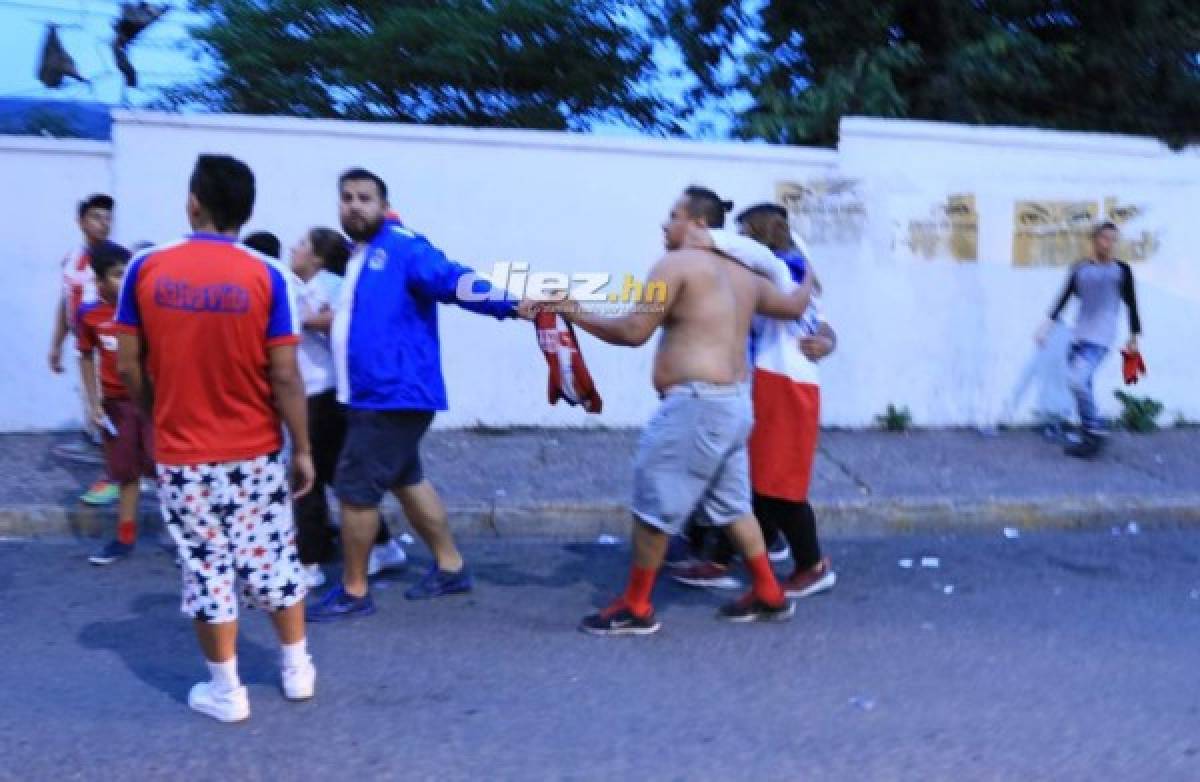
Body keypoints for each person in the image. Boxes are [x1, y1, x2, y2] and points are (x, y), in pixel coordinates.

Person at [558, 186, 814, 636]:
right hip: (734, 405)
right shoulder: (745, 276)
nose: (664, 224)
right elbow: (794, 306)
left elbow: (635, 330)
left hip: (697, 406)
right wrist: (809, 269)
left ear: (699, 224)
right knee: (733, 507)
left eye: (673, 215)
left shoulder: (673, 266)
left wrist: (575, 313)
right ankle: (769, 594)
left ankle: (636, 606)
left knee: (655, 503)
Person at [115, 154, 317, 722]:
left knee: (207, 568)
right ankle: (296, 670)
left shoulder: (145, 268)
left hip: (184, 453)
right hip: (255, 448)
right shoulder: (268, 273)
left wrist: (158, 414)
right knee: (274, 556)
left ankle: (227, 693)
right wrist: (301, 447)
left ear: (193, 202)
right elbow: (285, 374)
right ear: (246, 210)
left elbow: (129, 366)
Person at [305, 168, 535, 622]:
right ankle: (451, 567)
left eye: (364, 198)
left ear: (382, 204)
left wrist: (511, 304)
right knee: (406, 479)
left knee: (355, 492)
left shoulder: (404, 247)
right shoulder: (361, 253)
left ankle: (354, 591)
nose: (354, 205)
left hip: (391, 395)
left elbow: (453, 279)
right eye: (347, 198)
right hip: (376, 394)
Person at [671, 203, 837, 598]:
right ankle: (722, 559)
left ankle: (811, 566)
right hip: (771, 382)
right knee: (754, 480)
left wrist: (706, 238)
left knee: (779, 486)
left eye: (746, 232)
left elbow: (758, 257)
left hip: (785, 384)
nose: (740, 239)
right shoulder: (788, 271)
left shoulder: (784, 267)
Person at [287, 226, 407, 588]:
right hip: (313, 394)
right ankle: (379, 545)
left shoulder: (329, 283)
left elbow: (347, 319)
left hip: (321, 394)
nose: (294, 248)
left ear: (319, 258)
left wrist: (304, 320)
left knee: (308, 478)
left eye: (303, 244)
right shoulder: (303, 287)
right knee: (334, 476)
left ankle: (309, 563)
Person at [77, 241, 155, 565]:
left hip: (152, 401)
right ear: (99, 281)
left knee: (166, 469)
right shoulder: (89, 315)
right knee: (126, 472)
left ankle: (188, 540)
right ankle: (124, 538)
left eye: (128, 274)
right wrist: (94, 403)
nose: (125, 281)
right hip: (116, 406)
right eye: (117, 275)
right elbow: (85, 356)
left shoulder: (146, 311)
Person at [1036, 221, 1142, 459]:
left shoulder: (1121, 271)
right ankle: (1089, 437)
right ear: (1094, 240)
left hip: (1101, 338)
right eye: (1105, 238)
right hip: (1078, 337)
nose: (1110, 244)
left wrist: (1134, 336)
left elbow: (1132, 304)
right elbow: (1063, 299)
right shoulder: (1080, 270)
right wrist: (1046, 326)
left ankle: (1094, 429)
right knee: (1084, 384)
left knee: (1076, 380)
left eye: (1114, 239)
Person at [49, 193, 119, 507]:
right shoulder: (71, 260)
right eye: (96, 217)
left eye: (107, 218)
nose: (103, 224)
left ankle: (116, 476)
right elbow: (64, 302)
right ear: (81, 222)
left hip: (109, 347)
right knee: (95, 412)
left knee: (111, 412)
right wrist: (56, 343)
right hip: (85, 346)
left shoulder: (113, 262)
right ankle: (120, 470)